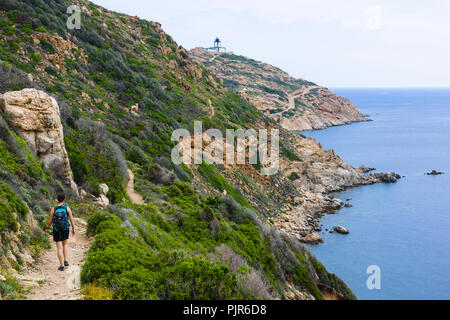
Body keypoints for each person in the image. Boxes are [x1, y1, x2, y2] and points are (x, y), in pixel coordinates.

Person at [45, 193, 75, 271]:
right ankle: (65, 260)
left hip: (56, 229)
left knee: (59, 247)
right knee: (65, 244)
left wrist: (47, 228)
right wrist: (73, 228)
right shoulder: (67, 208)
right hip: (65, 228)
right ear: (64, 199)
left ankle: (61, 265)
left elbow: (51, 220)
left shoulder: (54, 208)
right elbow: (71, 218)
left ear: (57, 199)